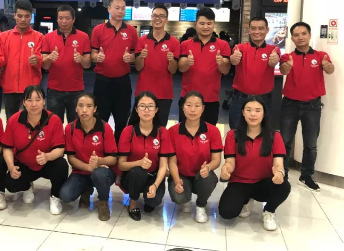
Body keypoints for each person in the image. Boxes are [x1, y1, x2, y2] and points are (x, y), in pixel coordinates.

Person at [218, 97, 291, 231]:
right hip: (240, 182)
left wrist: (279, 173)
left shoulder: (274, 136)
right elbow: (230, 162)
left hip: (263, 183)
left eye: (258, 110)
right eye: (249, 110)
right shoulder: (232, 135)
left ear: (264, 114)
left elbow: (278, 163)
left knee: (284, 186)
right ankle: (246, 200)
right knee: (226, 212)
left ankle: (268, 211)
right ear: (243, 112)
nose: (253, 114)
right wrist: (226, 169)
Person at [279, 22, 335, 192]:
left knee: (311, 144)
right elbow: (283, 70)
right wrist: (286, 67)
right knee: (285, 141)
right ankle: (282, 175)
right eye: (296, 35)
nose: (300, 37)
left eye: (304, 33)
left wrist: (328, 66)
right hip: (289, 104)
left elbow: (330, 69)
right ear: (292, 38)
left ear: (309, 35)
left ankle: (306, 176)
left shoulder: (320, 55)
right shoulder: (287, 57)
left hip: (312, 105)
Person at [1, 85, 68, 215]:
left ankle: (55, 197)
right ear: (23, 102)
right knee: (10, 183)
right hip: (25, 164)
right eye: (29, 100)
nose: (34, 104)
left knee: (61, 165)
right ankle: (27, 187)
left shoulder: (54, 120)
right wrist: (11, 166)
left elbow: (60, 148)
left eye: (38, 100)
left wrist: (47, 156)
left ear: (44, 101)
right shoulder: (14, 120)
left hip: (47, 163)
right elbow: (7, 147)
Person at [165, 91, 222, 223]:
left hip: (202, 175)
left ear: (203, 108)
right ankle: (186, 199)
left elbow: (216, 160)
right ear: (182, 107)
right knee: (179, 197)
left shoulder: (213, 131)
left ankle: (201, 205)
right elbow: (172, 162)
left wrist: (208, 168)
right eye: (189, 105)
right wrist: (176, 180)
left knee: (208, 178)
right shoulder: (173, 131)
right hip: (181, 175)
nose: (192, 110)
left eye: (197, 106)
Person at [60, 93, 118, 221]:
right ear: (76, 108)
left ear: (95, 109)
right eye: (80, 106)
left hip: (103, 171)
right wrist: (88, 167)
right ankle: (86, 190)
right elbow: (71, 158)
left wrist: (99, 161)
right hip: (81, 171)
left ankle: (103, 202)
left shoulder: (104, 127)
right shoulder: (70, 128)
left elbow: (113, 159)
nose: (84, 110)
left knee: (99, 174)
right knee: (65, 195)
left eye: (89, 106)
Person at [117, 92, 171, 221]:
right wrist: (139, 163)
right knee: (138, 171)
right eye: (142, 106)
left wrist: (156, 185)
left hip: (153, 175)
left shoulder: (162, 132)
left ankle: (149, 197)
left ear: (156, 110)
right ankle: (133, 202)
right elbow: (121, 165)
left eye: (150, 106)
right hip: (132, 176)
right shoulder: (128, 131)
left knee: (154, 201)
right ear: (136, 109)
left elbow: (163, 165)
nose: (146, 110)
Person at [91, 0, 138, 141]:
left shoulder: (131, 31)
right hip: (102, 82)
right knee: (100, 118)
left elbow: (135, 54)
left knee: (122, 118)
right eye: (117, 8)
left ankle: (120, 150)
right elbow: (92, 54)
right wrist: (97, 57)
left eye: (123, 8)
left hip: (123, 82)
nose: (120, 11)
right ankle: (101, 147)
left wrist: (130, 58)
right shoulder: (98, 30)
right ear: (109, 9)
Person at [178, 8, 231, 125]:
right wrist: (187, 63)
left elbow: (226, 70)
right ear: (196, 24)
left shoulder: (223, 45)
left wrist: (221, 63)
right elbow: (181, 68)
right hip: (188, 98)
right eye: (202, 23)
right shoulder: (185, 44)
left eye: (209, 23)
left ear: (214, 24)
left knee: (208, 133)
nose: (205, 27)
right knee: (185, 132)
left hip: (211, 99)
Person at [0, 0, 43, 120]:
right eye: (20, 16)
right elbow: (0, 60)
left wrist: (37, 60)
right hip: (10, 87)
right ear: (14, 15)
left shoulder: (39, 37)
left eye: (26, 16)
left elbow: (43, 60)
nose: (23, 19)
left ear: (31, 17)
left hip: (32, 87)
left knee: (33, 120)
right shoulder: (3, 36)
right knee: (12, 121)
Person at [228, 17, 280, 129]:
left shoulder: (273, 49)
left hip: (264, 99)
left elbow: (274, 61)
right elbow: (233, 60)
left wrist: (274, 60)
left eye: (261, 28)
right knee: (236, 131)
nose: (257, 31)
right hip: (240, 98)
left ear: (267, 30)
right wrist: (233, 59)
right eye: (253, 28)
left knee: (264, 132)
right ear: (249, 30)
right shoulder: (240, 48)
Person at [42, 4, 91, 123]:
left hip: (76, 89)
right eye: (61, 18)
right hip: (54, 90)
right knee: (54, 124)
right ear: (57, 19)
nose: (64, 21)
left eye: (67, 18)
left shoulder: (83, 37)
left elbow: (88, 64)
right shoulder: (48, 37)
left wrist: (81, 59)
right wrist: (49, 58)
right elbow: (44, 65)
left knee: (75, 125)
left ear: (73, 19)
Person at [134, 4, 180, 127]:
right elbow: (138, 67)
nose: (157, 18)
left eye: (161, 16)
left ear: (166, 20)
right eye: (154, 16)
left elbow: (173, 70)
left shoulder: (174, 42)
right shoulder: (142, 40)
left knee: (160, 129)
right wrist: (141, 57)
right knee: (140, 127)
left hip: (164, 94)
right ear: (151, 18)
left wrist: (171, 60)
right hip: (143, 92)